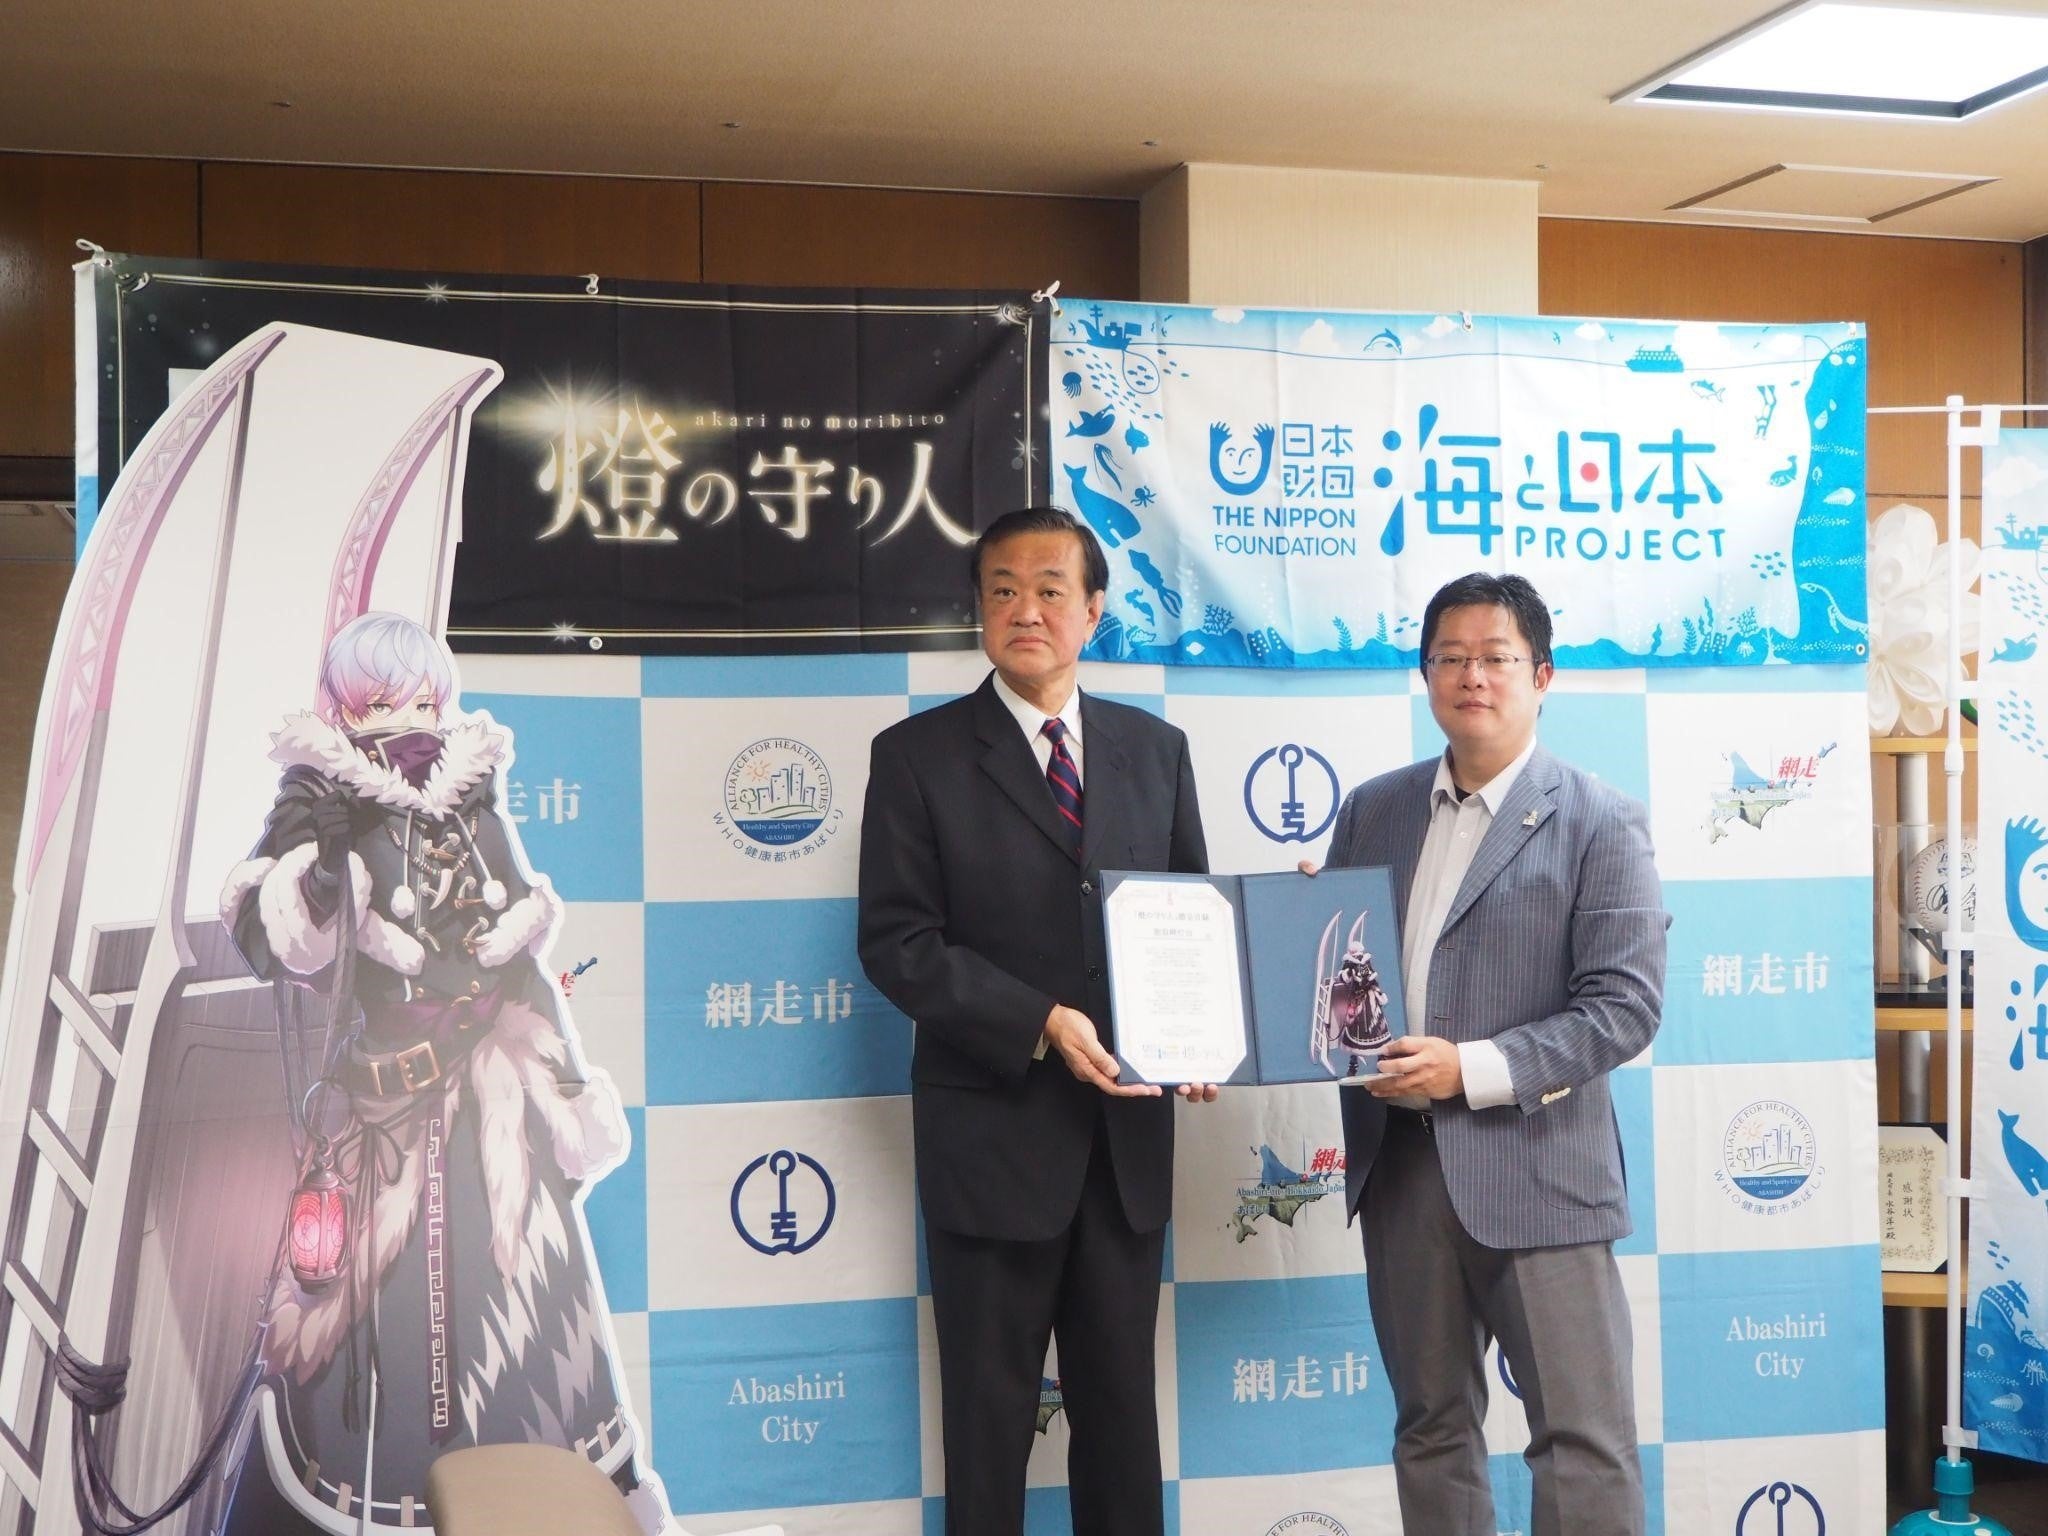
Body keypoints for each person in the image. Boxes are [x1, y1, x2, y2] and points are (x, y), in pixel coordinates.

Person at [219, 611, 666, 1534]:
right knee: (377, 1352)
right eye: (384, 700)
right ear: (344, 707)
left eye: (424, 700)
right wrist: (323, 875)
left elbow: (521, 959)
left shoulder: (467, 790)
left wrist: (567, 1088)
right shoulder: (318, 794)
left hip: (496, 1097)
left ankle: (551, 1508)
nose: (410, 718)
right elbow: (276, 934)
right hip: (386, 1116)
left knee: (530, 1329)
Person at [856, 506, 1213, 1536]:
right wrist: (1041, 1020)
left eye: (1051, 590)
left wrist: (1201, 1036)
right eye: (1002, 590)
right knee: (986, 1427)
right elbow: (898, 944)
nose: (1026, 610)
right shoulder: (916, 756)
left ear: (1093, 612)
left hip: (1124, 1147)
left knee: (1121, 1423)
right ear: (978, 611)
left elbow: (1187, 916)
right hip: (990, 1146)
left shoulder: (1156, 751)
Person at [1313, 571, 1667, 1536]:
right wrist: (1302, 935)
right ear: (1426, 673)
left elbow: (1625, 1009)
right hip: (1402, 1169)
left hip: (1540, 1170)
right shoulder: (1373, 811)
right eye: (1451, 657)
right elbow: (1339, 980)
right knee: (1430, 1429)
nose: (1472, 675)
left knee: (1582, 1440)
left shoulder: (1600, 818)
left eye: (1497, 657)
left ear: (1542, 675)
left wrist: (1468, 1069)